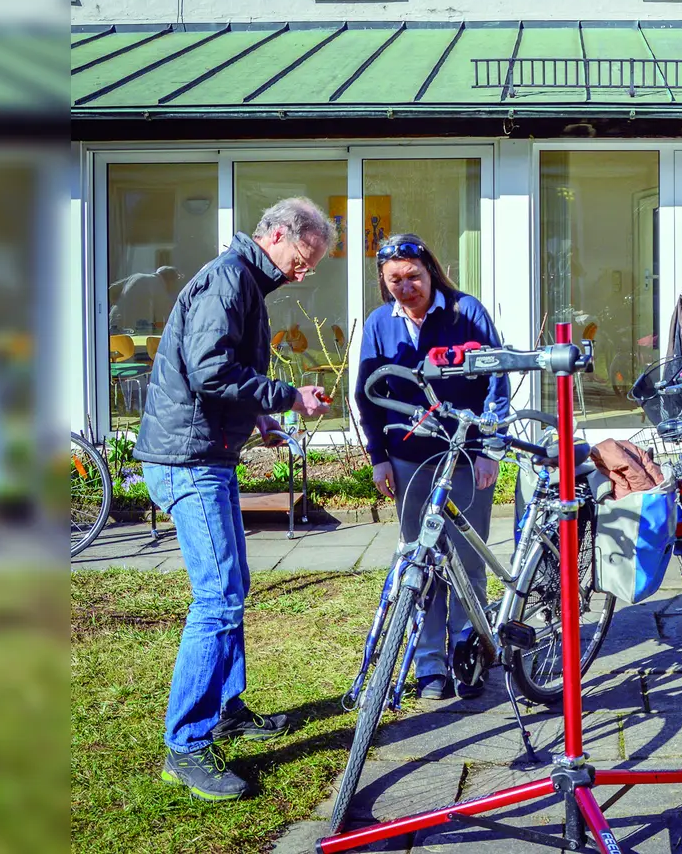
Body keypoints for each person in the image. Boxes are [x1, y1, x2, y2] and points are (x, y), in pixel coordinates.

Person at [134, 197, 333, 802]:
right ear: (276, 235)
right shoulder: (229, 281)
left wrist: (262, 421)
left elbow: (224, 377)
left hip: (202, 455)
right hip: (186, 462)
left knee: (232, 584)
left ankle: (224, 709)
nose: (307, 270)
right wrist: (286, 398)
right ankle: (187, 746)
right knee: (218, 596)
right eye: (304, 257)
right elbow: (210, 370)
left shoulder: (244, 280)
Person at [354, 233, 508, 703]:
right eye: (394, 280)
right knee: (419, 562)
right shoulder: (381, 323)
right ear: (384, 283)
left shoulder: (467, 312)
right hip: (407, 460)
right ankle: (430, 665)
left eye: (413, 277)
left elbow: (495, 380)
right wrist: (379, 457)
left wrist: (490, 449)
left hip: (464, 455)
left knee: (466, 560)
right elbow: (366, 392)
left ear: (430, 271)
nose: (406, 287)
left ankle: (468, 656)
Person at [108, 262, 181, 333]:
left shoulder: (136, 276)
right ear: (171, 280)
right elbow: (165, 322)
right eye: (176, 282)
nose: (176, 286)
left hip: (114, 323)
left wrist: (124, 305)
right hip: (130, 331)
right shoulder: (159, 288)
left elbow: (111, 291)